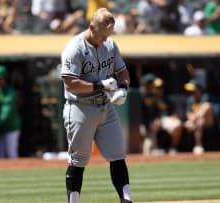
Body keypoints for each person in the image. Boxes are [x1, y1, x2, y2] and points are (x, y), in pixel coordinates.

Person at [60, 8, 132, 203]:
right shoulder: (75, 47)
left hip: (105, 107)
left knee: (118, 155)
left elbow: (123, 72)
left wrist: (123, 89)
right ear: (91, 27)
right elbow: (70, 83)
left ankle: (126, 200)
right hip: (80, 108)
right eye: (101, 35)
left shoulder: (110, 44)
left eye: (107, 35)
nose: (104, 39)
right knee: (79, 160)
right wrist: (99, 85)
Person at [0, 65, 21, 159]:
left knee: (11, 153)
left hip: (11, 127)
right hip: (0, 128)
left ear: (4, 78)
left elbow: (6, 113)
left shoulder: (10, 92)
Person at [184, 79, 214, 155]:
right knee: (198, 122)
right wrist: (193, 119)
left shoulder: (205, 97)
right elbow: (188, 114)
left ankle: (198, 145)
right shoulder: (190, 99)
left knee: (206, 106)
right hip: (195, 122)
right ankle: (198, 145)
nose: (192, 92)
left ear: (198, 89)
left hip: (208, 121)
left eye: (194, 89)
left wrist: (195, 117)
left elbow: (207, 109)